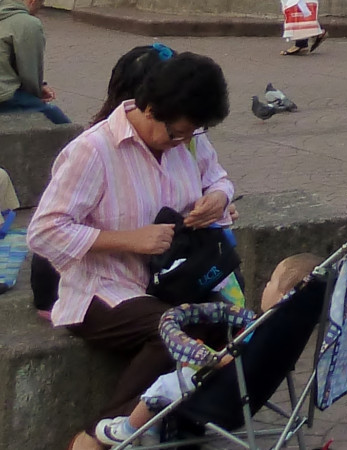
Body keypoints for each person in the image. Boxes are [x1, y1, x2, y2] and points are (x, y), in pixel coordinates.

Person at [29, 52, 235, 426]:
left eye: (192, 134)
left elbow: (218, 178)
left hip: (171, 283)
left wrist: (218, 198)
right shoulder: (93, 150)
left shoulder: (188, 141)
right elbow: (44, 231)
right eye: (176, 134)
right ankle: (104, 434)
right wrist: (128, 240)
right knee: (177, 329)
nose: (182, 143)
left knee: (227, 327)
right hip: (101, 288)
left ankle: (169, 428)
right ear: (151, 109)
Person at [92, 252, 318, 446]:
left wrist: (210, 357)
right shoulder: (284, 330)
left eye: (271, 281)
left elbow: (229, 359)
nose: (266, 286)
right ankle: (151, 428)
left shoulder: (261, 332)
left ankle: (130, 429)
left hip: (219, 394)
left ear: (281, 297)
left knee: (163, 386)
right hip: (248, 393)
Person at [0, 0, 67, 123]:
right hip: (3, 95)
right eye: (40, 6)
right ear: (34, 0)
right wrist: (37, 92)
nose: (37, 11)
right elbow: (29, 70)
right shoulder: (29, 23)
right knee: (57, 120)